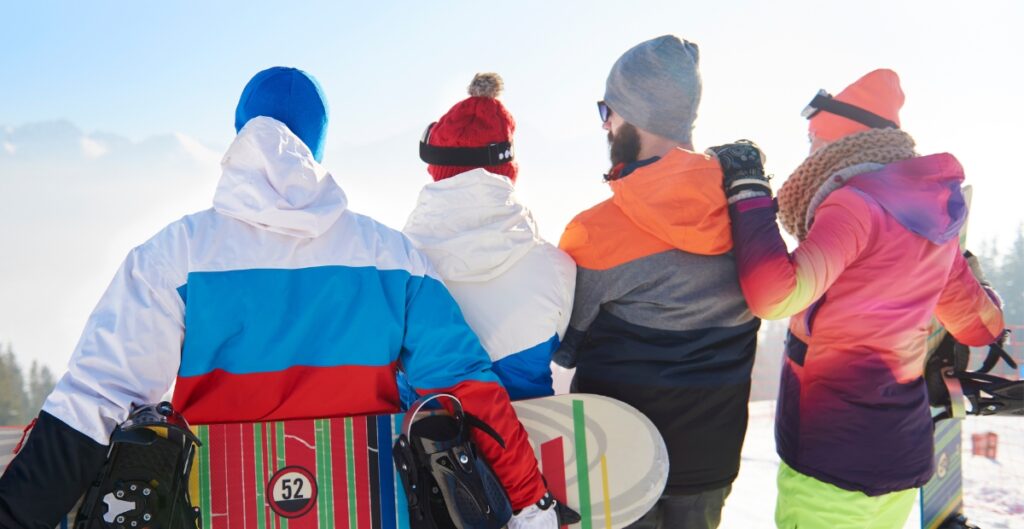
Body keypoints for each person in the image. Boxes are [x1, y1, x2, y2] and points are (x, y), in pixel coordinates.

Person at [0, 66, 560, 529]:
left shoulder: (173, 256)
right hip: (373, 510)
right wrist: (529, 500)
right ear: (318, 142)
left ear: (239, 132)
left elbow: (94, 398)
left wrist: (18, 512)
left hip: (220, 510)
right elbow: (465, 384)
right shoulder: (391, 255)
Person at [716, 69, 1006, 529]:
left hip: (830, 460)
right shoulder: (933, 222)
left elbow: (776, 296)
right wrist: (978, 279)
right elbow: (978, 326)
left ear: (839, 141)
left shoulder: (855, 204)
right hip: (899, 457)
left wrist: (748, 193)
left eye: (813, 140)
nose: (808, 152)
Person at [553, 36, 760, 529]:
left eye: (608, 108)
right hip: (713, 459)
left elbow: (565, 348)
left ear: (635, 112)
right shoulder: (745, 213)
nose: (604, 122)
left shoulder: (594, 230)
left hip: (619, 461)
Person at [400, 72, 576, 403]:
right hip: (530, 440)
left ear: (435, 170)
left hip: (424, 443)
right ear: (507, 169)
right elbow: (564, 346)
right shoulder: (557, 267)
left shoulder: (398, 264)